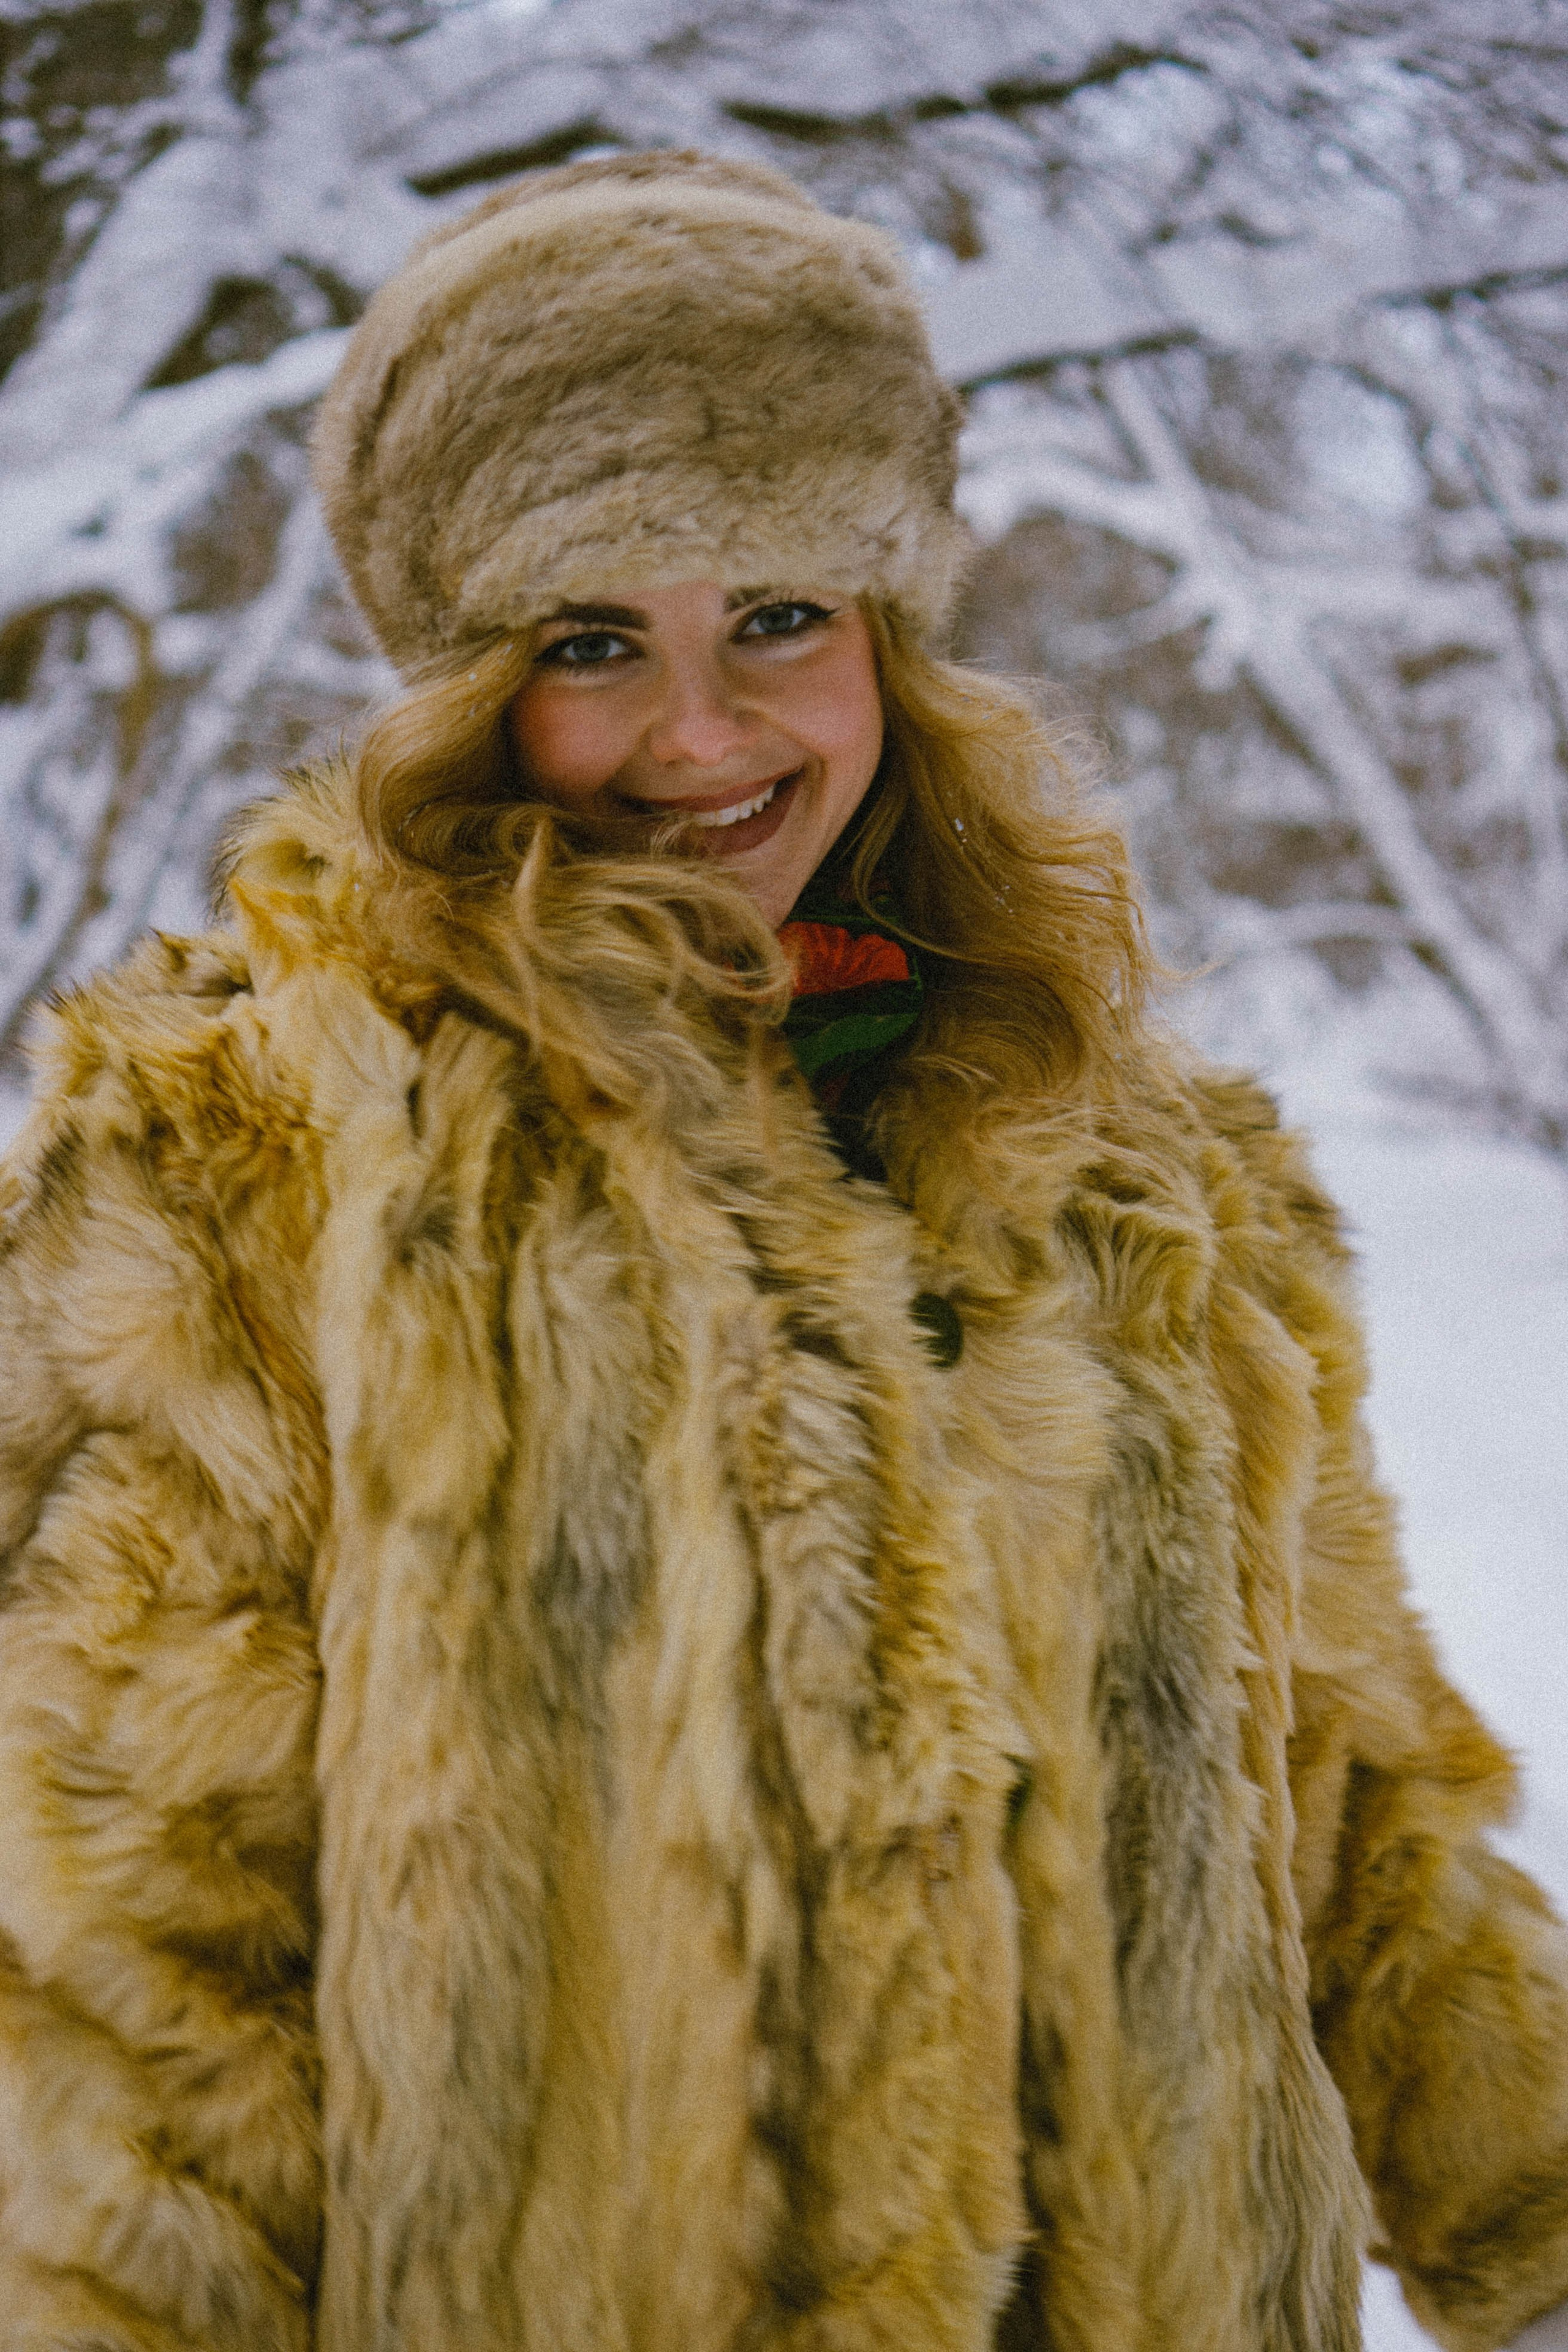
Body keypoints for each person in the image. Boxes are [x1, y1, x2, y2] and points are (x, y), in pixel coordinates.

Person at [0, 149, 1562, 2352]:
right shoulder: (251, 1152)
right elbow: (130, 1947)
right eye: (590, 641)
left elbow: (1358, 1789)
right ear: (469, 680)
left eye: (778, 619)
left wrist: (1528, 2213)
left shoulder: (1134, 1154)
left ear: (887, 636)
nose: (701, 734)